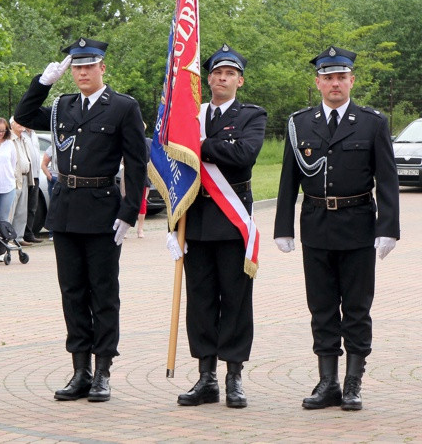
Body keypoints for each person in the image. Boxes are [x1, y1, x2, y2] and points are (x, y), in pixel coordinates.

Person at [14, 37, 147, 402]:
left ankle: (103, 370)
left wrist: (129, 210)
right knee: (72, 292)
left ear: (103, 67)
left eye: (89, 66)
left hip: (103, 210)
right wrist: (42, 83)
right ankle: (80, 370)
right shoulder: (62, 107)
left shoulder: (122, 107)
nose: (83, 72)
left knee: (103, 293)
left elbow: (136, 162)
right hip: (66, 209)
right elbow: (23, 118)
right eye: (77, 67)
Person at [273, 46, 400, 411]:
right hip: (316, 225)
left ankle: (353, 383)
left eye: (341, 77)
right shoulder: (300, 123)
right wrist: (284, 226)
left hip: (358, 225)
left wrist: (387, 227)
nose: (335, 83)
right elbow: (288, 179)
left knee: (357, 308)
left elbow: (387, 180)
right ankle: (327, 382)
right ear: (318, 83)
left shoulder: (372, 122)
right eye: (328, 77)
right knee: (323, 308)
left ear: (351, 81)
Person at [166, 45, 266, 409]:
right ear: (207, 78)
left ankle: (234, 376)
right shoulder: (191, 114)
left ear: (240, 79)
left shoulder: (252, 115)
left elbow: (245, 155)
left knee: (236, 301)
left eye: (229, 73)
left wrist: (203, 144)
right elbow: (173, 158)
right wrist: (172, 224)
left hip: (232, 219)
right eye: (216, 73)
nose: (221, 78)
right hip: (195, 221)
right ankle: (206, 377)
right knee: (201, 301)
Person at [9, 118, 33, 247]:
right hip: (14, 177)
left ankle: (19, 236)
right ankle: (9, 236)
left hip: (25, 176)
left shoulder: (24, 138)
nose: (21, 125)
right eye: (18, 122)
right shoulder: (9, 139)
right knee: (11, 209)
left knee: (22, 210)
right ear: (12, 124)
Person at [21, 125, 43, 243]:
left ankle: (29, 233)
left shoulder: (34, 134)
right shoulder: (21, 133)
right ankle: (20, 233)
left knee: (32, 206)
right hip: (26, 174)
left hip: (36, 174)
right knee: (22, 207)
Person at [41, 144, 58, 241]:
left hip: (67, 179)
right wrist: (50, 177)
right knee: (53, 206)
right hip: (55, 178)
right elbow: (44, 165)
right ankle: (52, 232)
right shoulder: (53, 147)